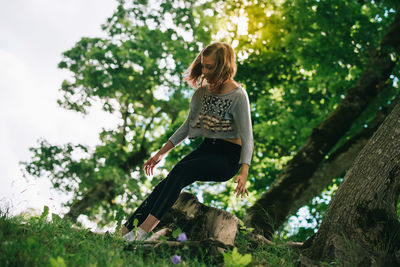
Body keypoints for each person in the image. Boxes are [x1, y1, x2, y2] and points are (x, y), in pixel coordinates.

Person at [121, 42, 254, 242]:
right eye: (203, 65)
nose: (205, 71)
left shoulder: (237, 95)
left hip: (228, 158)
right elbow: (187, 126)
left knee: (181, 172)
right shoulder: (203, 92)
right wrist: (160, 153)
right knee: (170, 179)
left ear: (223, 67)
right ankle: (126, 230)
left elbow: (247, 136)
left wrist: (244, 171)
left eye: (210, 67)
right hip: (206, 148)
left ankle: (142, 233)